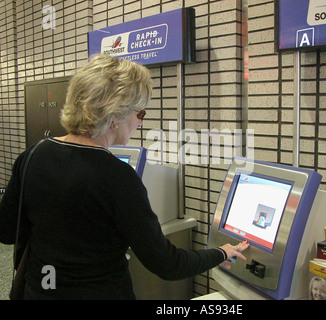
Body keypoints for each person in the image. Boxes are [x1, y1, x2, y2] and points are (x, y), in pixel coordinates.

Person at [0, 54, 249, 300]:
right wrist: (222, 252)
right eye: (139, 114)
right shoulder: (118, 177)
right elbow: (167, 264)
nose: (140, 123)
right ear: (115, 115)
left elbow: (6, 231)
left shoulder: (33, 154)